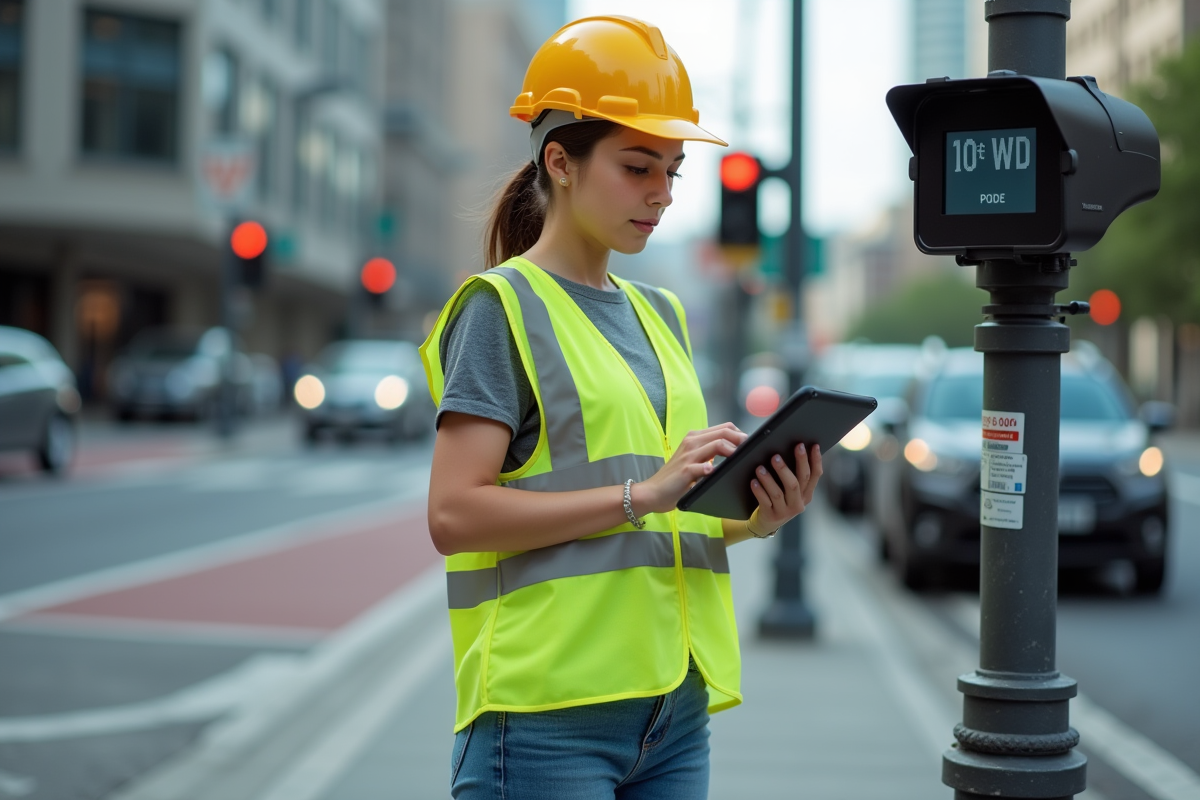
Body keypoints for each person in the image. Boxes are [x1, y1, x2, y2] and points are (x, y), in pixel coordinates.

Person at [419, 16, 823, 799]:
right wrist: (643, 495)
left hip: (675, 712)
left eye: (673, 171)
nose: (663, 193)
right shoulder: (500, 308)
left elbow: (673, 519)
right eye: (639, 167)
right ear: (560, 161)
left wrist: (762, 513)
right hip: (545, 720)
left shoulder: (662, 314)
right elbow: (453, 516)